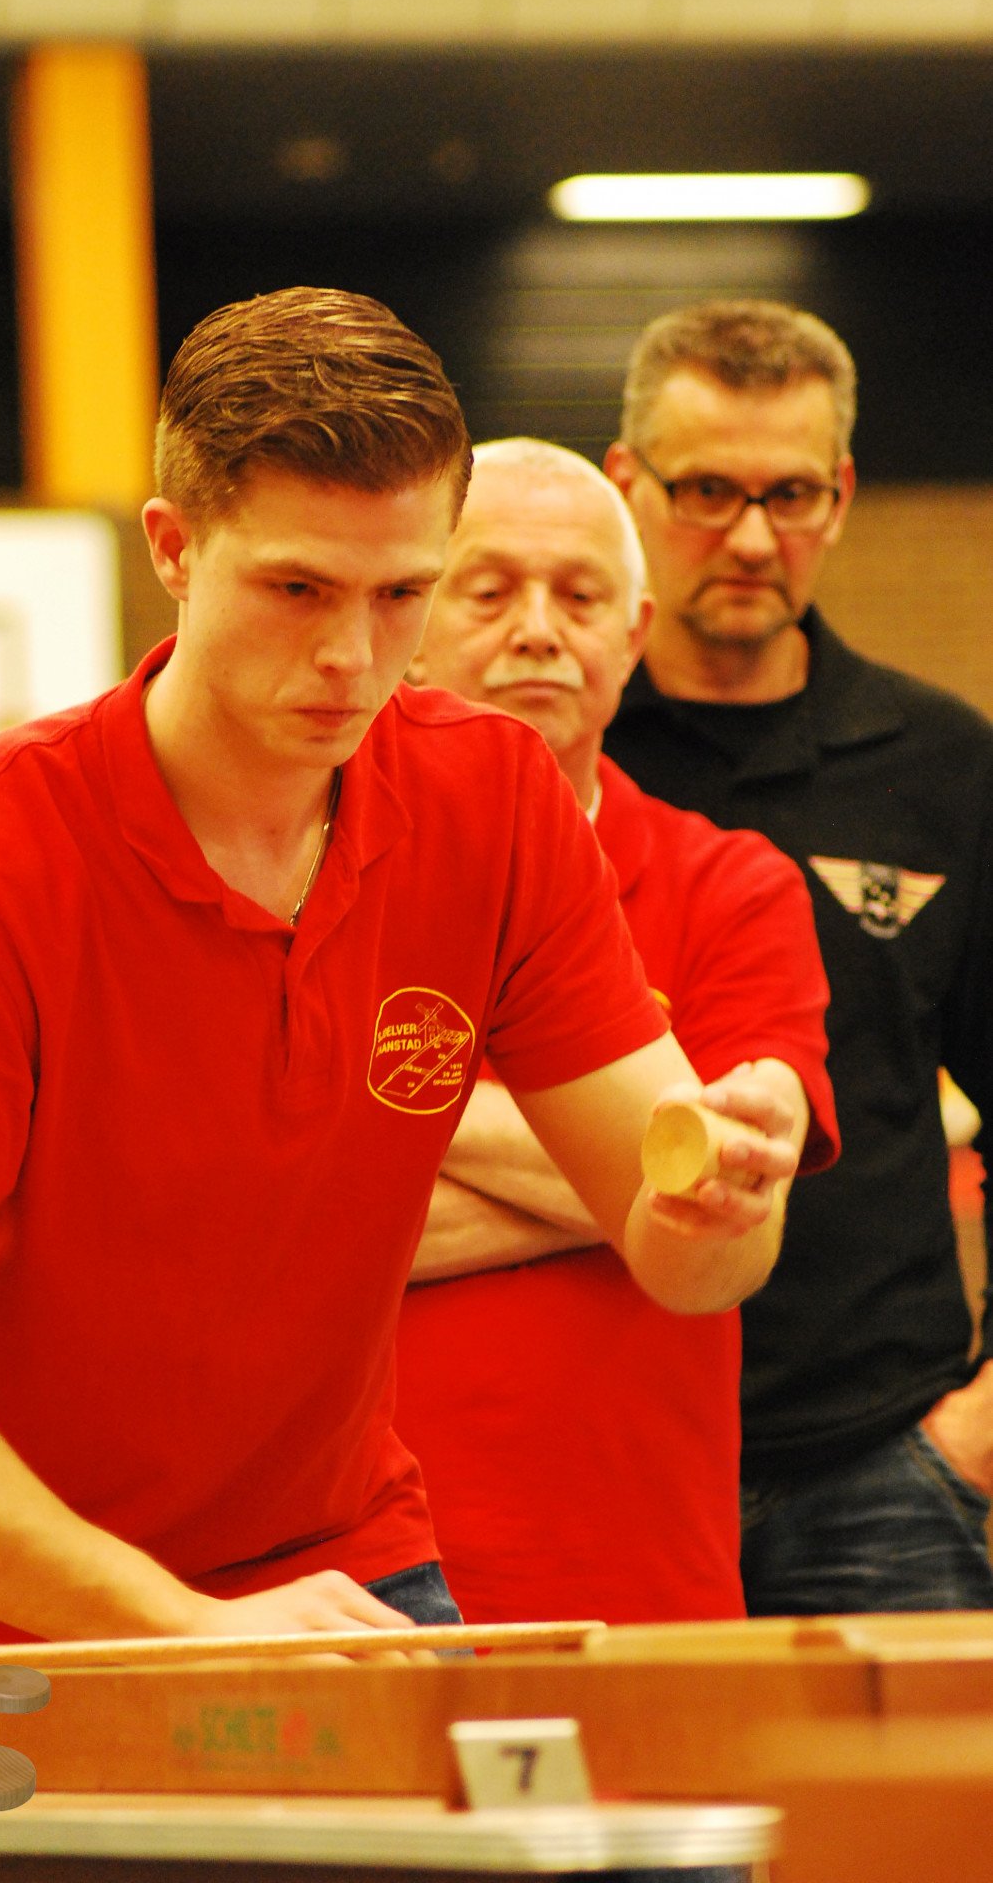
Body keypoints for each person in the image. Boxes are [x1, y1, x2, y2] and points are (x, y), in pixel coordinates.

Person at [0, 288, 800, 1646]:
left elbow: (690, 1260)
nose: (351, 656)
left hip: (320, 1556)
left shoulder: (491, 802)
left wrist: (722, 1200)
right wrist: (179, 1624)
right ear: (174, 548)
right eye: (297, 589)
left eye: (402, 595)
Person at [396, 440, 837, 1624]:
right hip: (340, 1588)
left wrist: (371, 1120)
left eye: (581, 596)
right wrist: (627, 1166)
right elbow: (247, 1225)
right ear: (407, 615)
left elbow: (729, 1214)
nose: (539, 630)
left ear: (635, 633)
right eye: (489, 590)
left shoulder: (733, 886)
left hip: (637, 1578)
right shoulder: (296, 875)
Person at [603, 299, 993, 1614]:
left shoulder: (943, 766)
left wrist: (974, 1434)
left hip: (883, 1467)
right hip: (602, 1457)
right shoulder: (552, 764)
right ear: (628, 484)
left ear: (840, 495)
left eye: (790, 494)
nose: (752, 537)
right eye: (707, 491)